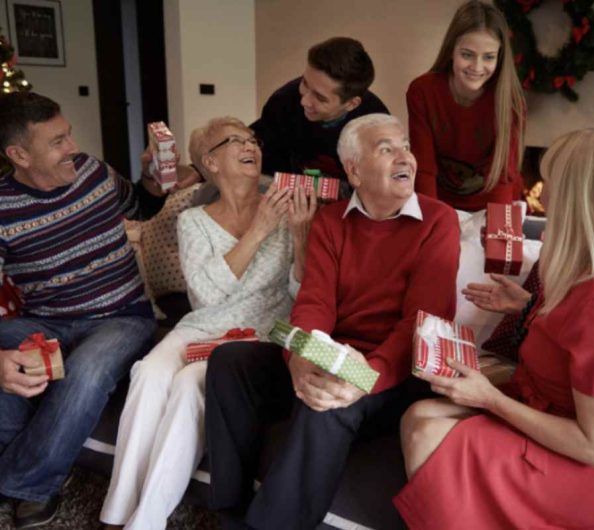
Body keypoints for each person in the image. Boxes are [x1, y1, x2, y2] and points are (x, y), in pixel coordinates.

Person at [394, 128, 594, 529]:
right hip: (554, 415)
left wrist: (490, 399)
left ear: (582, 200)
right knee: (419, 415)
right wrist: (527, 308)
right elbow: (577, 341)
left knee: (426, 434)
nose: (540, 197)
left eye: (553, 185)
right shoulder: (585, 274)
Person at [204, 113, 460, 530]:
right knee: (230, 362)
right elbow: (313, 302)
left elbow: (422, 321)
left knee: (324, 406)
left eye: (406, 147)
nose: (405, 158)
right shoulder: (331, 221)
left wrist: (364, 377)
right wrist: (301, 359)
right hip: (335, 352)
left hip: (394, 370)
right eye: (387, 149)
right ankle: (228, 511)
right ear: (354, 170)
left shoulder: (438, 220)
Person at [100, 117, 316, 530]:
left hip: (258, 333)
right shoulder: (193, 220)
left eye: (253, 138)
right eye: (235, 141)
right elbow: (206, 296)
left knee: (187, 386)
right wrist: (258, 230)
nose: (250, 144)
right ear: (210, 162)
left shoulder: (289, 212)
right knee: (148, 373)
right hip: (202, 325)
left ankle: (144, 522)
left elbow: (300, 291)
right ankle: (116, 509)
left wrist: (302, 234)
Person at [0, 91, 158, 529]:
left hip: (122, 316)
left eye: (68, 135)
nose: (73, 147)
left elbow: (143, 206)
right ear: (19, 154)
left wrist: (152, 180)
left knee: (87, 369)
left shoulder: (94, 172)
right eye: (57, 142)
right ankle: (18, 460)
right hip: (47, 321)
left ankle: (26, 482)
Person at [407, 0, 526, 211]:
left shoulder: (511, 102)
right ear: (452, 49)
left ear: (499, 57)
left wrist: (496, 231)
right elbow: (424, 168)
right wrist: (433, 221)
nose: (477, 67)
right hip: (440, 202)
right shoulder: (422, 91)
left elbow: (503, 176)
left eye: (488, 57)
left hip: (493, 205)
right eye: (467, 54)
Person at [251, 36, 389, 183]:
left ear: (351, 104)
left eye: (320, 98)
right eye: (305, 83)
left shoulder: (377, 128)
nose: (304, 101)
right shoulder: (283, 102)